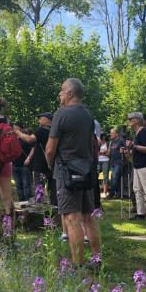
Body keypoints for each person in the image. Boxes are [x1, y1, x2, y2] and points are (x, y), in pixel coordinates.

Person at [45, 78, 101, 267]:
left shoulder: (61, 114)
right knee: (88, 216)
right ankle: (97, 259)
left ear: (70, 93)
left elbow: (50, 149)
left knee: (72, 218)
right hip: (86, 170)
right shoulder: (87, 113)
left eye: (62, 90)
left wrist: (51, 166)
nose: (59, 94)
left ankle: (78, 265)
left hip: (66, 171)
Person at [14, 112, 57, 206]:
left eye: (40, 118)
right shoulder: (56, 131)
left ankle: (40, 209)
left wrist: (18, 132)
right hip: (53, 165)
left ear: (46, 120)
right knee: (53, 190)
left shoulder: (42, 130)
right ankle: (55, 208)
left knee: (39, 190)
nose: (39, 121)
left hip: (41, 166)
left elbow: (29, 139)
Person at [126, 112, 146, 221]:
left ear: (136, 120)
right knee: (137, 189)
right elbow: (138, 149)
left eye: (130, 119)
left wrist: (134, 146)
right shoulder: (137, 133)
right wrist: (128, 150)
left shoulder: (144, 132)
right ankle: (140, 213)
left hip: (145, 165)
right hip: (137, 165)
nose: (129, 121)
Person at [12, 125, 33, 202]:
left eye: (15, 128)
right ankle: (21, 201)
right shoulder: (12, 139)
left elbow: (33, 147)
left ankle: (28, 201)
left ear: (19, 129)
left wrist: (29, 158)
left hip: (24, 165)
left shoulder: (24, 138)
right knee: (18, 185)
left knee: (26, 184)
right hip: (14, 165)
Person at [107, 128, 125, 199]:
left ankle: (111, 194)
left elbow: (125, 150)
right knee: (114, 179)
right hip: (113, 163)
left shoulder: (121, 140)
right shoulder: (111, 142)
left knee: (114, 178)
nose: (110, 134)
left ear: (117, 134)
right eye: (110, 133)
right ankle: (118, 194)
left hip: (119, 162)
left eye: (112, 133)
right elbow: (109, 154)